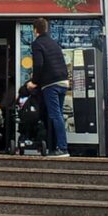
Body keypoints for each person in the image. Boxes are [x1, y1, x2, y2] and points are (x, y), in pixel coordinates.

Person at [26, 18, 71, 158]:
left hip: (51, 84)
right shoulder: (54, 43)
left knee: (55, 115)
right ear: (46, 28)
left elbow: (38, 64)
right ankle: (56, 147)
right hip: (63, 81)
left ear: (35, 30)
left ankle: (62, 148)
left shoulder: (37, 43)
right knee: (58, 115)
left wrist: (34, 82)